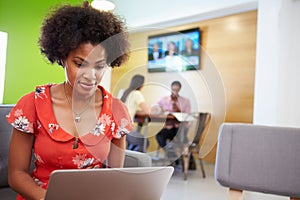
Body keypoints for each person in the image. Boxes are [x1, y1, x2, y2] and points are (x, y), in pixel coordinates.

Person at [6, 2, 133, 200]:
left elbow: (114, 176)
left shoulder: (116, 111)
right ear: (62, 57)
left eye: (99, 66)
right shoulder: (31, 105)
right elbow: (16, 175)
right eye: (80, 64)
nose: (90, 76)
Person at [155, 81, 196, 169]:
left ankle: (189, 162)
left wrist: (178, 111)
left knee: (182, 138)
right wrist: (160, 109)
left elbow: (187, 115)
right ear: (171, 88)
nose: (175, 92)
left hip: (181, 128)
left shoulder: (185, 101)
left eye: (177, 90)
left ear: (180, 89)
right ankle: (172, 156)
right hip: (169, 127)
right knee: (160, 136)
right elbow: (155, 106)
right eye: (174, 89)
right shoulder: (164, 100)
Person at [120, 74, 150, 152]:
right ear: (142, 85)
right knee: (145, 142)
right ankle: (133, 160)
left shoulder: (122, 92)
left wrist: (135, 110)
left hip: (117, 128)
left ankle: (129, 154)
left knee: (134, 141)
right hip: (126, 130)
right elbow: (147, 111)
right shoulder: (136, 93)